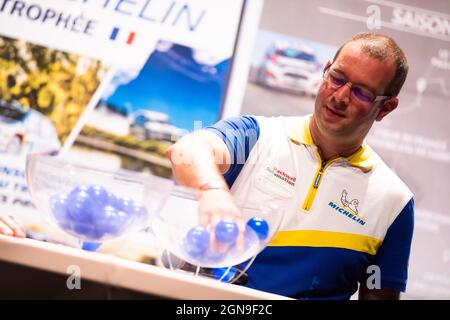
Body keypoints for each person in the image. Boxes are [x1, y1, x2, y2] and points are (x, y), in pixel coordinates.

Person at [167, 32, 414, 300]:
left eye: (361, 92)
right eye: (337, 78)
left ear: (386, 108)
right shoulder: (256, 136)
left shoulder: (394, 201)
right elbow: (185, 150)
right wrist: (212, 191)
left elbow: (378, 294)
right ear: (326, 70)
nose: (340, 96)